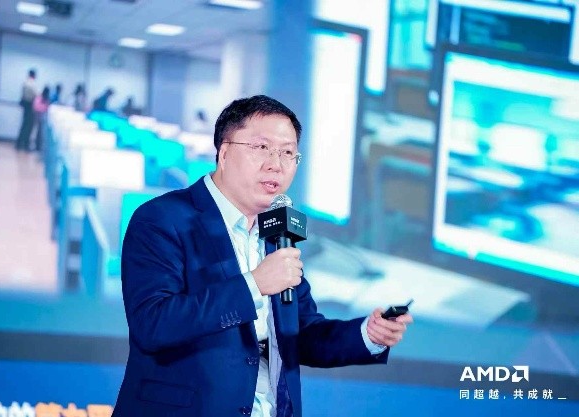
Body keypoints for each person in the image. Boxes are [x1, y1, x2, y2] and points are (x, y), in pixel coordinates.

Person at [113, 95, 413, 417]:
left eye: (288, 153)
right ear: (224, 153)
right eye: (261, 148)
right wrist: (254, 284)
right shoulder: (162, 219)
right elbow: (153, 324)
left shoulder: (277, 233)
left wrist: (367, 334)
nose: (276, 164)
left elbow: (301, 332)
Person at [16, 69, 37, 151]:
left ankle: (19, 143)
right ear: (34, 75)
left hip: (25, 105)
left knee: (24, 125)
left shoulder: (25, 82)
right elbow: (35, 95)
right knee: (29, 126)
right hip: (30, 105)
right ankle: (25, 145)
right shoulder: (31, 83)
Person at [32, 86, 50, 152]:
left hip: (39, 116)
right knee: (39, 132)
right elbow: (37, 107)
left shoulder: (41, 98)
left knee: (38, 132)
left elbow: (36, 106)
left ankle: (37, 146)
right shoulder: (42, 98)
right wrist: (43, 108)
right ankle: (37, 146)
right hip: (39, 116)